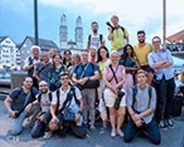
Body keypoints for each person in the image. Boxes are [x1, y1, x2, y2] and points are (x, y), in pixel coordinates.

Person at [124, 69, 161, 145]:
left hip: (147, 117)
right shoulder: (133, 89)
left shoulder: (151, 90)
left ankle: (144, 127)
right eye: (139, 77)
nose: (141, 78)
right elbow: (129, 105)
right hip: (135, 115)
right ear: (136, 79)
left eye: (143, 76)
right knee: (127, 138)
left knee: (157, 140)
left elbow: (152, 108)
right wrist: (134, 117)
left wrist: (139, 117)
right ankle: (138, 128)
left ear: (146, 78)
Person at [148, 36, 175, 130]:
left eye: (157, 41)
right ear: (153, 44)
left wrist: (158, 64)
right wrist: (164, 61)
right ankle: (161, 120)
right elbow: (152, 65)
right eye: (154, 42)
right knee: (161, 100)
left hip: (170, 77)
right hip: (161, 78)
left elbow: (171, 62)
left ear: (160, 42)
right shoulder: (150, 55)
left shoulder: (166, 51)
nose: (156, 43)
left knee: (170, 99)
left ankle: (168, 118)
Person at [49, 72, 86, 138]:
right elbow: (52, 106)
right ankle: (65, 126)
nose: (65, 80)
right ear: (60, 81)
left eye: (66, 78)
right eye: (62, 79)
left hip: (73, 114)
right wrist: (53, 116)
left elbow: (81, 102)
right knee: (52, 126)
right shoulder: (56, 92)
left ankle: (68, 126)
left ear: (69, 79)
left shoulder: (75, 89)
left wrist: (79, 113)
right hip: (62, 113)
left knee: (82, 134)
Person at [72, 50, 100, 132]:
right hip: (81, 88)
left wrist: (87, 78)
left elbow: (97, 76)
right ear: (80, 57)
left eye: (85, 55)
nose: (84, 56)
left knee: (91, 106)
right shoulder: (77, 66)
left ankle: (92, 124)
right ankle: (84, 121)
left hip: (91, 88)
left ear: (88, 56)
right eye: (82, 55)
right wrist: (78, 81)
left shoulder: (93, 65)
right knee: (83, 106)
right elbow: (73, 77)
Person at [103, 51, 126, 137]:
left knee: (122, 112)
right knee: (112, 111)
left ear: (119, 57)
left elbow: (123, 79)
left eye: (116, 56)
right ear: (110, 57)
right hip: (109, 91)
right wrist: (112, 88)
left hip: (120, 91)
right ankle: (113, 128)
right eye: (113, 56)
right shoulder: (107, 67)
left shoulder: (122, 67)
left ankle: (118, 128)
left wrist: (116, 87)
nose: (114, 58)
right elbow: (105, 80)